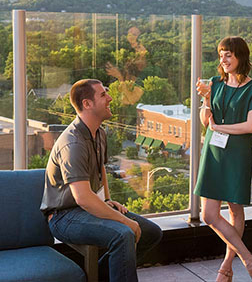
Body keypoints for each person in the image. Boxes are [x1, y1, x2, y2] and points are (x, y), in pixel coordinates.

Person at [40, 79, 162, 282]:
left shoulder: (100, 133)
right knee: (124, 233)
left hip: (86, 208)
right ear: (87, 104)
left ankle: (100, 276)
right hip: (64, 217)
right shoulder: (73, 143)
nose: (110, 98)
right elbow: (83, 198)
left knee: (151, 232)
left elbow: (100, 169)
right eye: (103, 94)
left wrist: (106, 199)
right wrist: (126, 221)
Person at [194, 36, 252, 282]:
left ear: (241, 57)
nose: (223, 60)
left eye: (228, 55)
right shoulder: (214, 83)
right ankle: (251, 260)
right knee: (209, 215)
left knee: (235, 210)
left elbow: (251, 126)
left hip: (237, 154)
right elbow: (205, 122)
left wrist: (220, 128)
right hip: (214, 153)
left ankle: (226, 266)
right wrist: (205, 100)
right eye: (221, 55)